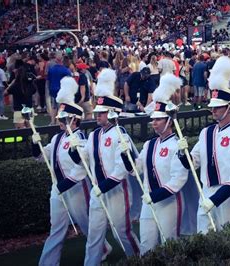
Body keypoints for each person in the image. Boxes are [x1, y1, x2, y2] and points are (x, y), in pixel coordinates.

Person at [177, 56, 230, 233]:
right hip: (206, 193)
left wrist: (215, 200)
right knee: (203, 240)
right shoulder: (206, 133)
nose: (213, 110)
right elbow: (194, 163)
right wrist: (182, 154)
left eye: (218, 107)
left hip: (228, 197)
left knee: (229, 241)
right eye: (212, 107)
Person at [34, 76, 111, 265]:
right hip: (58, 189)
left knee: (86, 225)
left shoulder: (82, 139)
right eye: (61, 118)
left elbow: (82, 168)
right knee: (57, 228)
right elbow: (41, 157)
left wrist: (66, 183)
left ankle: (103, 248)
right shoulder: (56, 138)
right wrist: (35, 144)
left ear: (74, 120)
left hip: (76, 189)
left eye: (64, 119)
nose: (60, 121)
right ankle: (48, 263)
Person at [70, 68, 141, 265]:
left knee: (122, 232)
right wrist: (74, 151)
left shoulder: (120, 135)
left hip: (117, 191)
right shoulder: (93, 135)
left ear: (110, 113)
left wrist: (103, 187)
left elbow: (122, 169)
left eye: (101, 113)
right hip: (97, 192)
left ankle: (138, 260)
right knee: (94, 235)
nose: (97, 115)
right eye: (97, 112)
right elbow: (83, 159)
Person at [131, 74, 195, 255]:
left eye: (158, 119)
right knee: (146, 246)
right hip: (148, 202)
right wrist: (125, 156)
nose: (154, 122)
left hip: (169, 202)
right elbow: (137, 169)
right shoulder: (149, 144)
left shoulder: (177, 145)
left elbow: (178, 179)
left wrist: (156, 195)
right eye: (153, 119)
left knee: (169, 245)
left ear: (168, 121)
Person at [4, 62, 37, 128]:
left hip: (18, 110)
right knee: (30, 131)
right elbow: (34, 91)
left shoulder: (15, 85)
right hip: (29, 108)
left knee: (19, 133)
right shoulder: (30, 84)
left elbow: (5, 93)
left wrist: (11, 84)